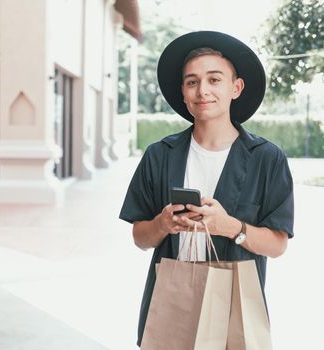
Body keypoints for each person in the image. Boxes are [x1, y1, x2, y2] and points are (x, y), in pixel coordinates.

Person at [119, 31, 294, 347]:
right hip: (173, 293)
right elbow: (139, 237)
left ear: (235, 87)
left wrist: (229, 227)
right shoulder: (159, 155)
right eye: (192, 82)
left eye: (214, 80)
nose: (203, 91)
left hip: (236, 299)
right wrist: (163, 224)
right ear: (184, 93)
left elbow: (278, 244)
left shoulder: (267, 159)